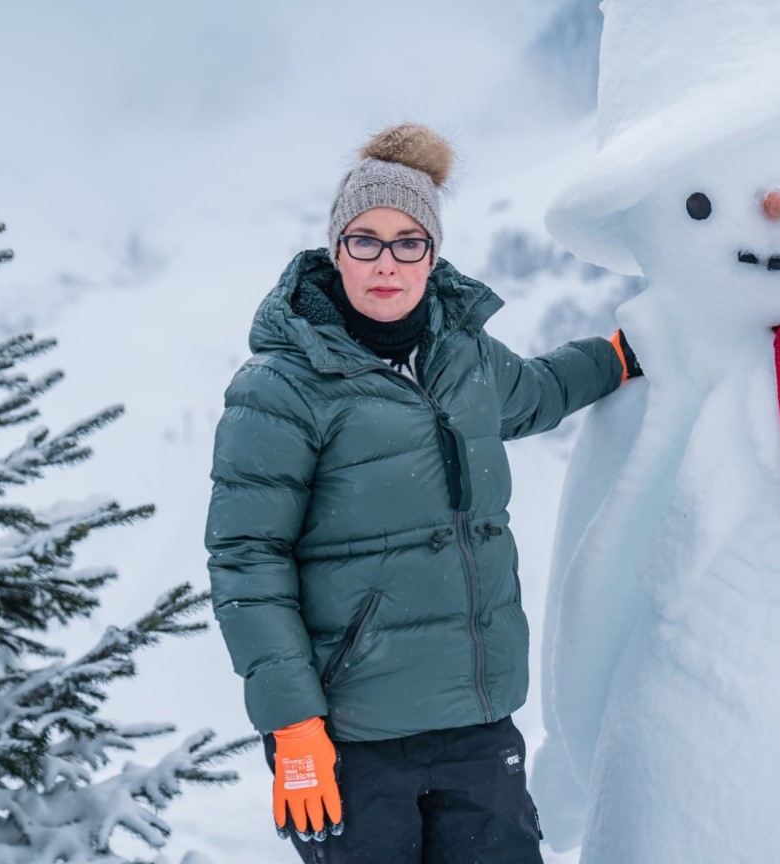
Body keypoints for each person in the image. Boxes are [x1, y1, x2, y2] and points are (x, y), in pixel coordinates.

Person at [204, 123, 643, 863]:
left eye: (409, 241)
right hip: (353, 740)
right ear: (334, 250)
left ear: (433, 254)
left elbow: (538, 392)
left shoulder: (462, 356)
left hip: (477, 723)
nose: (387, 262)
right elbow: (248, 562)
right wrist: (293, 726)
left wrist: (626, 355)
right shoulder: (279, 388)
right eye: (365, 240)